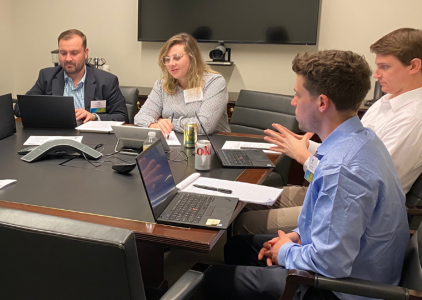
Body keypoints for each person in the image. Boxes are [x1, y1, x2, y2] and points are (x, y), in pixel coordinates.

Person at [203, 50, 409, 300]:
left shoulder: (342, 169)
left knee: (211, 278)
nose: (293, 101)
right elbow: (333, 224)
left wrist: (286, 252)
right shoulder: (363, 139)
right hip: (353, 264)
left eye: (298, 94)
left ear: (322, 103)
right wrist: (297, 236)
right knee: (239, 246)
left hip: (343, 289)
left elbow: (331, 263)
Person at [233, 28, 422, 236]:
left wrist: (303, 156)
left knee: (241, 221)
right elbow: (345, 156)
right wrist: (308, 146)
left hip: (350, 209)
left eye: (384, 67)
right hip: (330, 187)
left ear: (414, 66)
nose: (376, 75)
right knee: (243, 199)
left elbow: (355, 183)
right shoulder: (387, 100)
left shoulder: (413, 118)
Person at [14, 29, 129, 123]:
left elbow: (122, 117)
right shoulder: (47, 77)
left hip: (92, 140)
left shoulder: (106, 81)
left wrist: (94, 117)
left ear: (85, 53)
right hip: (55, 138)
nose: (68, 59)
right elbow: (20, 108)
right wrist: (50, 112)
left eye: (74, 53)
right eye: (63, 53)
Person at [134, 33, 229, 135]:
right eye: (167, 59)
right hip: (174, 144)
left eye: (177, 57)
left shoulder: (214, 82)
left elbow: (204, 126)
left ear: (192, 58)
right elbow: (140, 117)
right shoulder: (162, 84)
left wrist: (167, 123)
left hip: (211, 144)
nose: (171, 63)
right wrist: (155, 125)